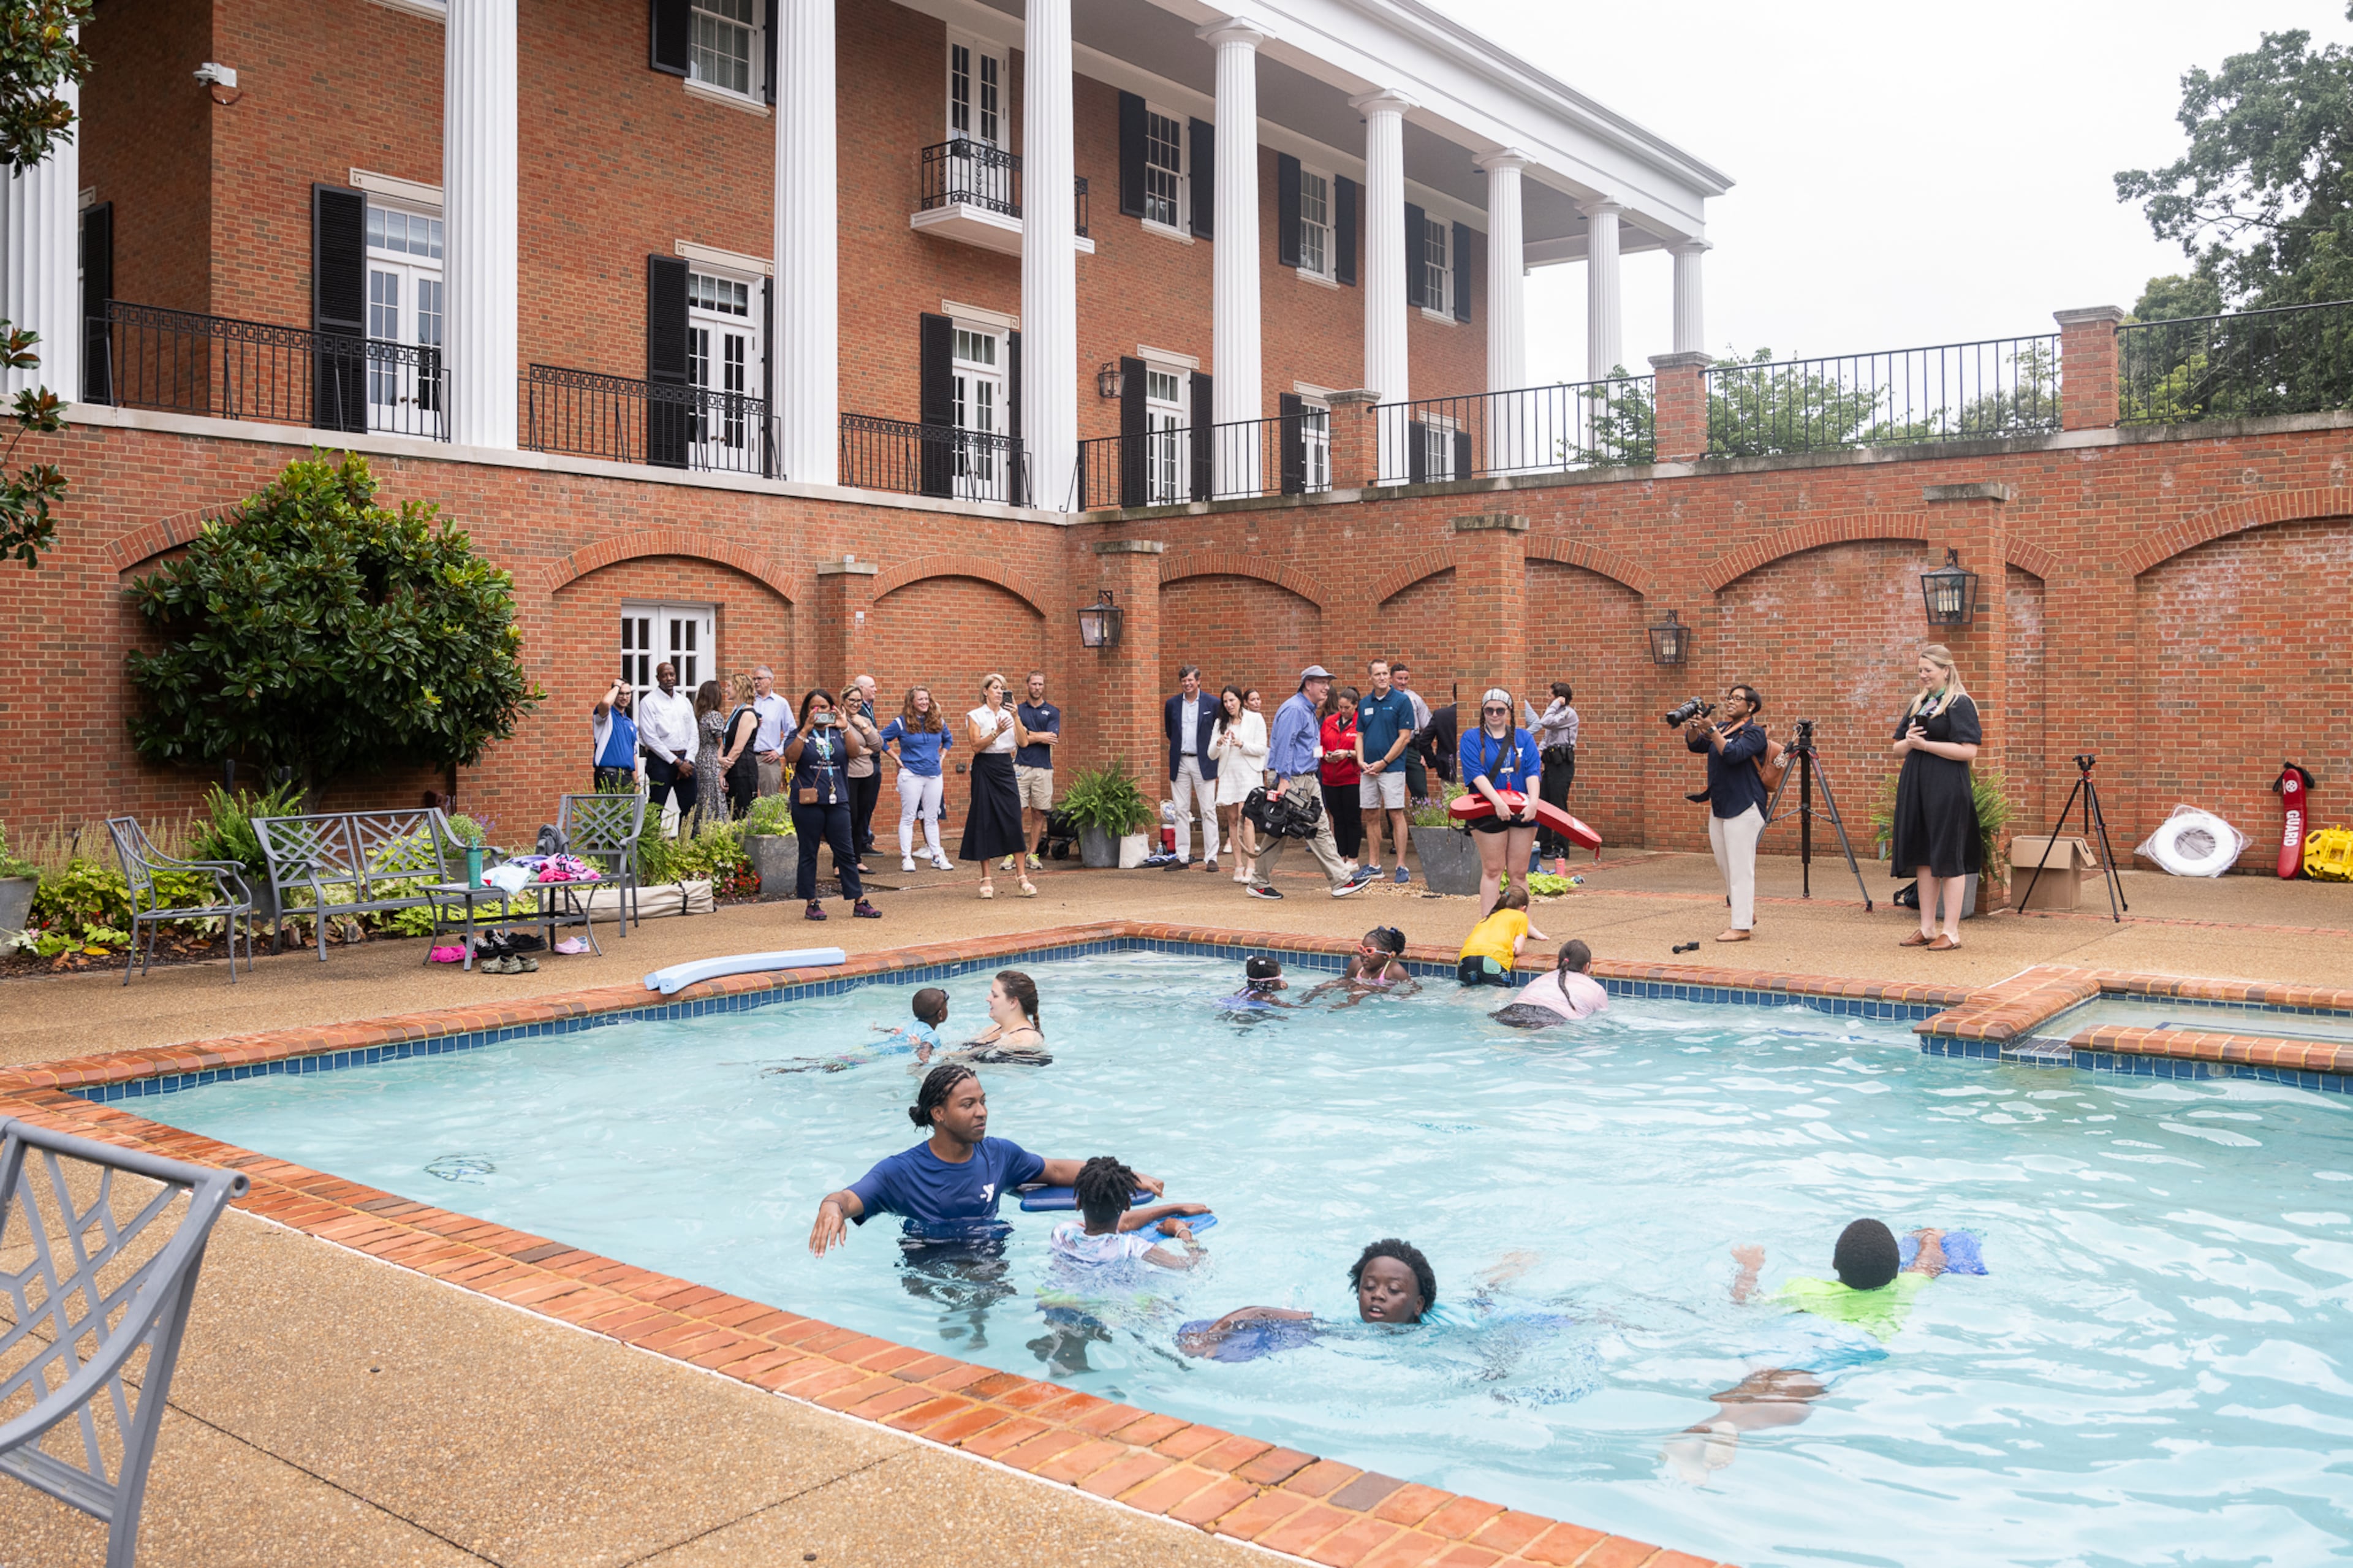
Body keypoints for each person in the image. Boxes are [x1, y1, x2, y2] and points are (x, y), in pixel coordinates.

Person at [1662, 1221, 1957, 1482]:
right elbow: (1930, 1263)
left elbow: (1745, 1302)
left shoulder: (1805, 1286)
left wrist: (1750, 1269)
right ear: (1895, 1270)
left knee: (1755, 1381)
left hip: (1789, 1329)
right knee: (1794, 1397)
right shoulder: (1906, 1286)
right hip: (1847, 1340)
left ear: (1833, 1263)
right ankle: (1725, 1429)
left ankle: (1701, 1434)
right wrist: (1931, 1237)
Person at [806, 1063, 1165, 1254]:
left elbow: (1055, 1170)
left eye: (983, 1101)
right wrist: (830, 1208)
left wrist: (1128, 1176)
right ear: (939, 1114)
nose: (982, 1112)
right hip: (927, 1258)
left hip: (989, 1252)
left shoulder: (999, 1154)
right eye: (968, 1105)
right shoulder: (900, 1171)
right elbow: (848, 1198)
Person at [1177, 1238, 1443, 1359]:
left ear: (1418, 1305)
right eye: (1369, 1286)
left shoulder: (1440, 1339)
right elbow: (1259, 1313)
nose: (1378, 1295)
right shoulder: (1343, 1331)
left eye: (1393, 1290)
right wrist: (1211, 1336)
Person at [1249, 667, 1380, 902]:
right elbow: (1286, 746)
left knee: (1315, 828)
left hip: (1308, 779)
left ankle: (1340, 880)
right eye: (1321, 682)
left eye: (1328, 683)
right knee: (1283, 831)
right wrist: (1284, 781)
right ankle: (1259, 882)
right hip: (1295, 781)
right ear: (1308, 684)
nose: (1327, 687)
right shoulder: (1295, 709)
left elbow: (1302, 746)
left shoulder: (1307, 710)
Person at [1890, 645, 1984, 952]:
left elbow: (1969, 752)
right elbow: (1897, 749)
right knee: (1923, 854)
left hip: (1947, 786)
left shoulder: (1960, 704)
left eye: (1928, 670)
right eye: (1920, 670)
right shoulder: (1919, 703)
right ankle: (1927, 928)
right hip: (1915, 784)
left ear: (1946, 670)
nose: (1923, 676)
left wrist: (1926, 746)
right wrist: (1910, 742)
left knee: (1948, 855)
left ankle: (1952, 932)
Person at [782, 687, 881, 922]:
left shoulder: (838, 732)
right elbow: (792, 757)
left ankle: (858, 901)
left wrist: (845, 725)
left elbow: (854, 752)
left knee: (846, 852)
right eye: (813, 708)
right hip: (808, 802)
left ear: (832, 709)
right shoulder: (798, 733)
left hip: (838, 800)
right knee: (809, 852)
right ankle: (811, 903)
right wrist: (806, 729)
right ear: (806, 711)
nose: (819, 712)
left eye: (824, 707)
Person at [1685, 684, 1770, 944]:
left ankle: (1741, 927)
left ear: (1751, 706)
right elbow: (1697, 746)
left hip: (1745, 806)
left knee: (1741, 868)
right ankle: (1745, 912)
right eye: (1729, 698)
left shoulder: (1755, 733)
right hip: (1721, 805)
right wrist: (1692, 727)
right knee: (1726, 865)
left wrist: (1710, 729)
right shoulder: (1722, 728)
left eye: (1737, 699)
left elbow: (1733, 754)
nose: (1731, 702)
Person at [1460, 687, 1545, 913]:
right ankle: (1489, 922)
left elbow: (1533, 771)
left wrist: (1534, 802)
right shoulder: (1471, 738)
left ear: (1509, 712)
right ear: (1483, 712)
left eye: (1500, 710)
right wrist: (1498, 802)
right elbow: (1475, 774)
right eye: (1489, 710)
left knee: (1519, 872)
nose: (1495, 715)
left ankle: (1522, 924)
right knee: (1493, 869)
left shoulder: (1524, 737)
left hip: (1522, 806)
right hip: (1488, 809)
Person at [1051, 1157, 1211, 1271]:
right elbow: (1192, 1265)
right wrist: (1183, 1232)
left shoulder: (1062, 1233)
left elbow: (1113, 1227)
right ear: (1128, 1205)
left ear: (1078, 1203)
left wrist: (1177, 1208)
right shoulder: (1131, 1247)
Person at [962, 674, 1034, 899]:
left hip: (1005, 767)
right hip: (985, 767)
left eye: (1002, 688)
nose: (999, 692)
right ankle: (986, 878)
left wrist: (1016, 718)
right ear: (985, 691)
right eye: (995, 688)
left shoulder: (1010, 715)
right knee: (984, 818)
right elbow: (975, 746)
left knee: (1014, 816)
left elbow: (1023, 743)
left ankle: (1022, 876)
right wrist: (997, 732)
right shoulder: (975, 715)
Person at [1355, 660, 1419, 884]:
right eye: (1378, 674)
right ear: (1370, 677)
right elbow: (1360, 736)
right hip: (1368, 770)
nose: (1382, 677)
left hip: (1391, 768)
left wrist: (1384, 761)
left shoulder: (1402, 701)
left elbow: (1405, 737)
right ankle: (1374, 865)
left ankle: (1401, 865)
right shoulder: (1364, 703)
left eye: (1385, 674)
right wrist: (1361, 761)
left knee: (1395, 813)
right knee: (1371, 814)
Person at [880, 686, 955, 873]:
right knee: (908, 817)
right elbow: (880, 739)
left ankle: (936, 856)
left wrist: (942, 756)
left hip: (934, 774)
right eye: (920, 699)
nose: (924, 703)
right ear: (911, 702)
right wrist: (896, 758)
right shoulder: (900, 722)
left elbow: (948, 740)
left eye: (926, 699)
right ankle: (906, 858)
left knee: (932, 817)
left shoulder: (937, 720)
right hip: (910, 774)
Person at [1207, 684, 1268, 886]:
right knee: (1232, 820)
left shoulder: (1255, 718)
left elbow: (1262, 749)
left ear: (1240, 700)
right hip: (1228, 774)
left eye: (1232, 700)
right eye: (1225, 702)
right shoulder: (1220, 723)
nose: (1228, 705)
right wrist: (1219, 742)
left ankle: (1252, 863)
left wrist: (1242, 744)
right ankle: (1238, 865)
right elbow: (1211, 754)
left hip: (1248, 773)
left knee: (1247, 819)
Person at [1164, 665, 1221, 871]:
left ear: (1198, 681)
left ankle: (1211, 857)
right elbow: (1170, 732)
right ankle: (1182, 856)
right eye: (1183, 681)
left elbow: (1217, 730)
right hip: (1180, 760)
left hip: (1203, 761)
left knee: (1208, 809)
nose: (1187, 684)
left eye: (1190, 680)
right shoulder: (1172, 704)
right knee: (1180, 810)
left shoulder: (1212, 703)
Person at [636, 661, 699, 836]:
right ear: (658, 678)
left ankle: (687, 847)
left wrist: (688, 760)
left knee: (690, 807)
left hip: (686, 761)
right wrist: (676, 762)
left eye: (672, 674)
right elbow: (650, 738)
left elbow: (694, 732)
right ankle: (652, 848)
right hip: (661, 762)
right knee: (656, 807)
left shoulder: (684, 701)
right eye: (664, 675)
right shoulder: (649, 702)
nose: (669, 678)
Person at [938, 969, 1051, 1065]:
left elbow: (971, 1059)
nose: (988, 999)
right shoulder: (998, 1027)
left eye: (995, 995)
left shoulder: (1024, 1040)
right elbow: (962, 1046)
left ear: (1013, 1002)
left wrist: (936, 1056)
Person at [1526, 683, 1580, 875]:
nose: (1547, 697)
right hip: (1551, 763)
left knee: (1558, 805)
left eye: (1551, 695)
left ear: (1560, 697)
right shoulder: (1557, 714)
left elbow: (1546, 722)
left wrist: (1556, 704)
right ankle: (1545, 845)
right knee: (1544, 803)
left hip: (1562, 765)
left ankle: (1562, 848)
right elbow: (1547, 738)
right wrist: (1538, 754)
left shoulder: (1567, 714)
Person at [1491, 939, 1608, 1028]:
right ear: (1587, 966)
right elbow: (1601, 1019)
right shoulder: (1596, 989)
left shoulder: (1542, 979)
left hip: (1512, 1010)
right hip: (1551, 1017)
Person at [1014, 670, 1061, 871]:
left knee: (1038, 812)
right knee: (1017, 811)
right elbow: (1017, 740)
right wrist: (1035, 736)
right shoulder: (1017, 711)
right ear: (1028, 685)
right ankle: (1013, 852)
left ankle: (1032, 854)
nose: (1037, 688)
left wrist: (1027, 734)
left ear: (1044, 686)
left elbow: (1052, 737)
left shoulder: (1052, 711)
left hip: (1044, 767)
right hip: (1021, 766)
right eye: (1034, 684)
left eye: (1040, 685)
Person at [1304, 926, 1413, 1007]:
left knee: (1359, 991)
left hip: (1373, 1003)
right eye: (1362, 950)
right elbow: (1346, 980)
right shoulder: (1357, 964)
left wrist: (1380, 990)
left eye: (1369, 951)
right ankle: (1303, 1004)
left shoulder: (1394, 970)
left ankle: (1342, 1008)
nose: (1364, 955)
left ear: (1386, 954)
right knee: (1325, 986)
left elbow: (1413, 990)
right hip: (1358, 991)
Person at [1459, 884, 1544, 985]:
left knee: (1466, 990)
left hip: (1467, 956)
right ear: (1523, 908)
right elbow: (1517, 949)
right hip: (1493, 959)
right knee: (1499, 994)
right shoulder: (1521, 916)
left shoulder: (1489, 916)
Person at [842, 675, 884, 873]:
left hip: (866, 774)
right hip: (847, 775)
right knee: (847, 819)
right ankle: (839, 863)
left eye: (858, 701)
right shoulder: (836, 722)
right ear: (843, 701)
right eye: (852, 700)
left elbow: (878, 745)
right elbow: (843, 750)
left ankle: (857, 859)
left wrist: (863, 725)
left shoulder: (864, 719)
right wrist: (862, 750)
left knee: (861, 820)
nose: (856, 704)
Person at [1319, 684, 1364, 864]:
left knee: (1352, 818)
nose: (1343, 711)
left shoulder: (1360, 724)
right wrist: (1324, 756)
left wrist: (1349, 754)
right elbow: (1318, 745)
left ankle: (1353, 858)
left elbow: (1364, 750)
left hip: (1352, 777)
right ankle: (1341, 855)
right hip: (1330, 777)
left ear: (1355, 706)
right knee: (1338, 819)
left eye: (1347, 708)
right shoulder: (1329, 722)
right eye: (1341, 707)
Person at [718, 673, 763, 822]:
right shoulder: (736, 712)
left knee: (742, 814)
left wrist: (722, 773)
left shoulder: (748, 714)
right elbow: (725, 741)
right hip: (733, 768)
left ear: (739, 688)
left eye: (730, 686)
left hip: (743, 770)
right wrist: (720, 758)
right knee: (734, 814)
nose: (727, 690)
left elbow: (738, 748)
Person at [1390, 662, 1435, 805]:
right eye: (1399, 679)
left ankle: (1421, 824)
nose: (1403, 682)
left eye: (1406, 679)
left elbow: (1427, 728)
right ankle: (1393, 828)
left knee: (1420, 790)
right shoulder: (1384, 699)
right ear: (1391, 679)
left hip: (1411, 748)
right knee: (1392, 792)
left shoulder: (1415, 699)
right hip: (1390, 748)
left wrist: (1424, 752)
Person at [689, 678, 729, 832]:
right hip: (713, 759)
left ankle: (700, 831)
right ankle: (716, 830)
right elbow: (721, 742)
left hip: (700, 758)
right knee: (715, 797)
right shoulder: (714, 716)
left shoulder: (700, 716)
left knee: (704, 798)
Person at [590, 680, 642, 791]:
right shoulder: (606, 717)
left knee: (628, 809)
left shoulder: (630, 723)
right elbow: (605, 703)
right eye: (621, 694)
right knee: (610, 808)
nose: (625, 697)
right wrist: (617, 686)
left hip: (627, 776)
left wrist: (637, 783)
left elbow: (633, 755)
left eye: (628, 694)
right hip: (608, 774)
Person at [750, 665, 792, 798]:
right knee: (746, 801)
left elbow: (791, 731)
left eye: (760, 679)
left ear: (770, 680)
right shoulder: (748, 701)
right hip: (747, 757)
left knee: (770, 802)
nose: (756, 682)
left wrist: (779, 752)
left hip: (768, 759)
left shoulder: (781, 703)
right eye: (754, 679)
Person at [875, 987, 950, 1058]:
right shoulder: (931, 1036)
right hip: (886, 1056)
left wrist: (877, 1029)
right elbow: (924, 1055)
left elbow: (893, 1032)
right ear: (940, 1015)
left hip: (879, 1050)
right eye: (946, 1006)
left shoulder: (912, 1026)